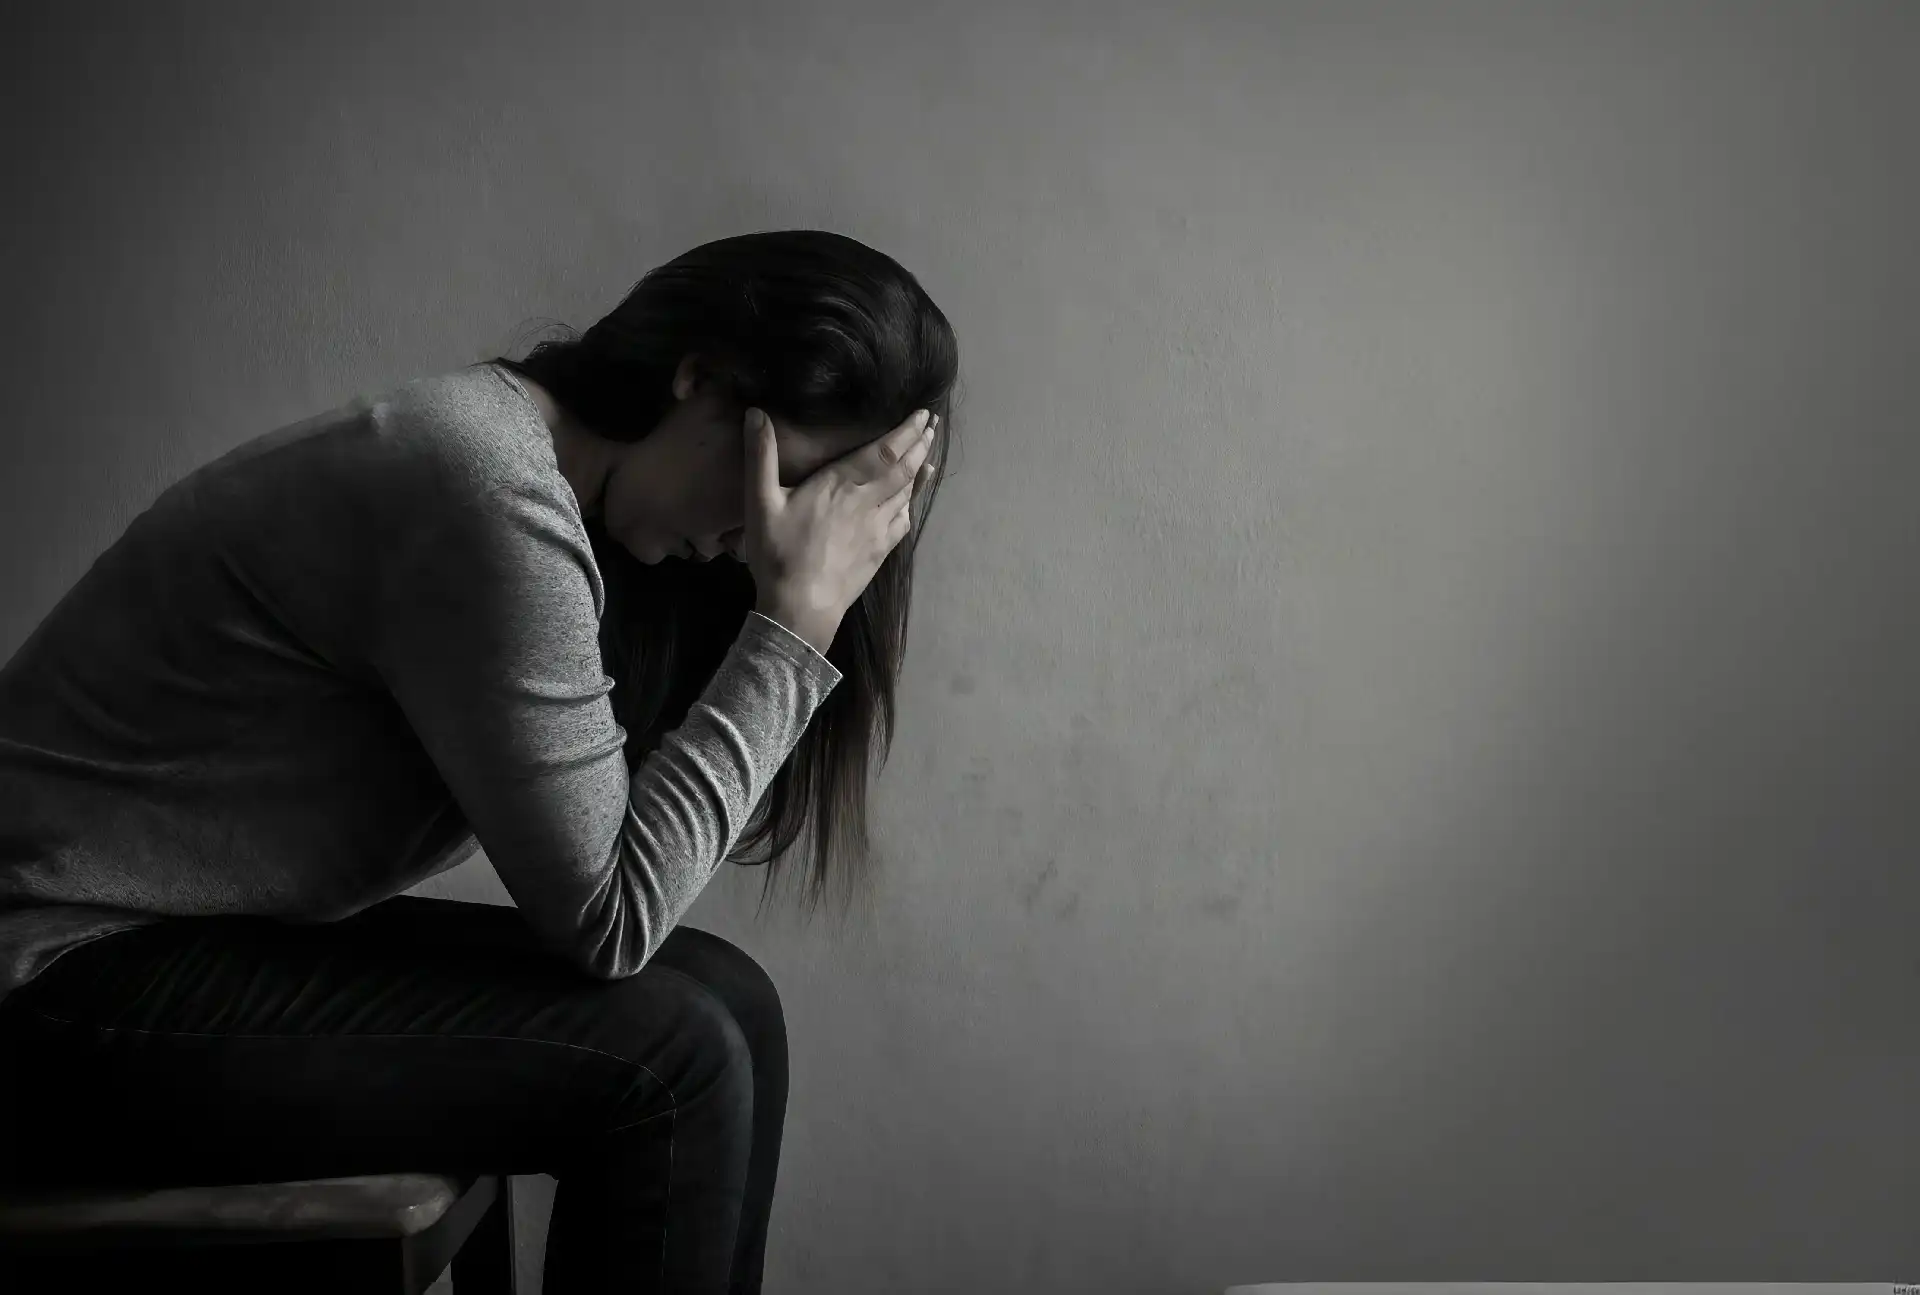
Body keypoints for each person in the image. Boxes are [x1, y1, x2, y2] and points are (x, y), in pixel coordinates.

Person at [0, 229, 959, 1294]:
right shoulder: (484, 483)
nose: (771, 533)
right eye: (792, 482)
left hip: (179, 943)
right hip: (50, 977)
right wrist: (794, 624)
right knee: (672, 1056)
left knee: (732, 1001)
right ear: (700, 379)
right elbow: (612, 920)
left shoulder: (536, 485)